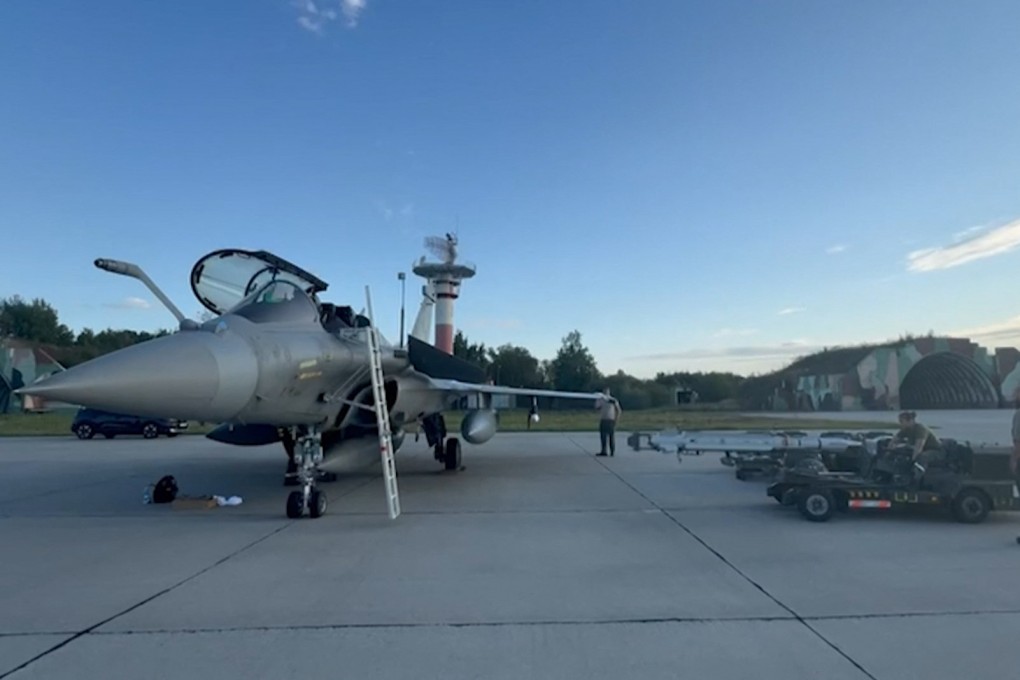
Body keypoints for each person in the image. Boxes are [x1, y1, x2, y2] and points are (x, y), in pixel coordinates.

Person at [890, 410, 942, 479]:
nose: (900, 424)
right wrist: (889, 451)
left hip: (935, 450)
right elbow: (894, 440)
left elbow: (919, 447)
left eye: (902, 421)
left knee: (922, 457)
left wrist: (913, 461)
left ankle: (916, 479)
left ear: (910, 421)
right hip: (922, 449)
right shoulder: (906, 429)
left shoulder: (920, 429)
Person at [594, 388, 622, 457]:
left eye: (607, 392)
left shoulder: (613, 400)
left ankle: (612, 451)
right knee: (603, 436)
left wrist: (616, 419)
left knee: (611, 436)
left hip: (610, 419)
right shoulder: (600, 399)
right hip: (603, 419)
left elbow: (618, 410)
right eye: (604, 392)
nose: (606, 393)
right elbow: (597, 407)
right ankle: (604, 451)